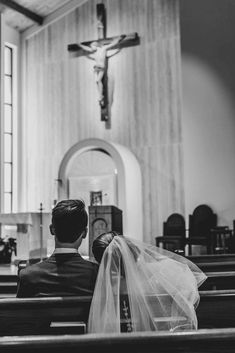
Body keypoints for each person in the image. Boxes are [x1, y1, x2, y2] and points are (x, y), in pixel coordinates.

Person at [88, 232, 207, 333]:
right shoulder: (167, 272)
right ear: (132, 250)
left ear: (104, 264)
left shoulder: (105, 287)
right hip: (168, 341)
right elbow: (186, 312)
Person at [17, 199, 98, 297]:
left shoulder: (28, 276)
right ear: (85, 232)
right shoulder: (97, 274)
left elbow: (20, 311)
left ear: (52, 229)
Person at [77, 35, 126, 106]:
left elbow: (113, 44)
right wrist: (80, 45)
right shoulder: (94, 51)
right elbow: (86, 48)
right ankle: (100, 96)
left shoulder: (103, 49)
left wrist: (120, 39)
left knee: (98, 81)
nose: (91, 48)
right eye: (91, 47)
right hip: (96, 68)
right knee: (96, 82)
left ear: (96, 45)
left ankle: (100, 97)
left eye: (92, 46)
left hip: (101, 67)